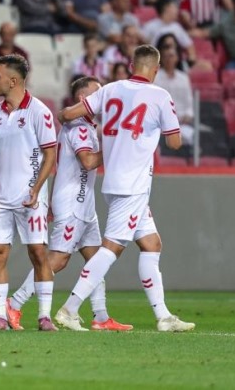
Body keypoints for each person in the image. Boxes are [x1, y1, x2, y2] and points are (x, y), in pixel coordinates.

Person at [54, 44, 195, 333]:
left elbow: (66, 115)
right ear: (156, 69)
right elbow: (175, 142)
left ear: (131, 65)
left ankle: (163, 316)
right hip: (133, 184)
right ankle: (70, 308)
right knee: (111, 249)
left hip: (115, 181)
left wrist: (72, 115)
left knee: (151, 244)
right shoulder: (160, 96)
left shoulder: (109, 89)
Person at [5, 76, 132, 331]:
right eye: (97, 93)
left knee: (95, 261)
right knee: (58, 259)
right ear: (83, 99)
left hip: (84, 204)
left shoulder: (85, 125)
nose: (102, 98)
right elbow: (88, 162)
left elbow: (65, 166)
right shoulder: (79, 127)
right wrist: (117, 148)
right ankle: (14, 303)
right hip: (73, 203)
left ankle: (100, 316)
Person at [0, 53, 58, 331]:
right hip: (0, 197)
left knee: (38, 252)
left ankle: (44, 316)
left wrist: (36, 189)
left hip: (29, 197)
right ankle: (1, 317)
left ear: (13, 81)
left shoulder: (39, 111)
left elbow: (50, 155)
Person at [154, 47, 194, 142]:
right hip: (161, 124)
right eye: (166, 56)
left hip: (182, 123)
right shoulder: (155, 78)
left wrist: (188, 116)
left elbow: (189, 104)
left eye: (171, 56)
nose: (169, 59)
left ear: (176, 58)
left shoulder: (184, 78)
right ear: (162, 59)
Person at [141, 0, 198, 64]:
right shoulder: (149, 27)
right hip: (156, 63)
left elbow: (189, 46)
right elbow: (142, 45)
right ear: (167, 8)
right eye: (174, 7)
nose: (177, 10)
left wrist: (191, 60)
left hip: (175, 63)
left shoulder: (177, 27)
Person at [0, 22, 29, 87]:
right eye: (4, 34)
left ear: (14, 35)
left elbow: (25, 76)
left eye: (10, 34)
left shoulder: (21, 54)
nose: (7, 37)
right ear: (0, 35)